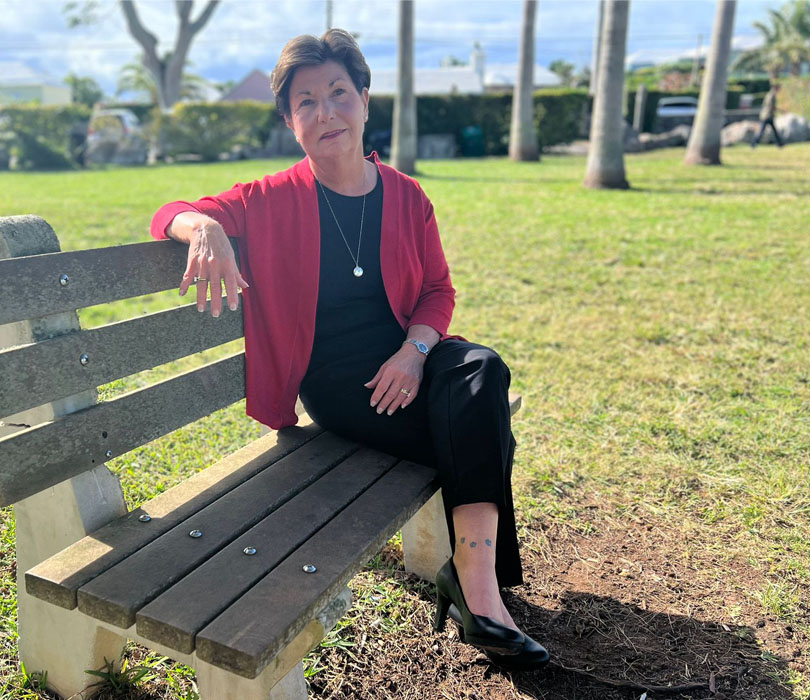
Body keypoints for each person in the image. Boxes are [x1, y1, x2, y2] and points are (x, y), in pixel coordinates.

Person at [149, 29, 548, 671]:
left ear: (365, 100)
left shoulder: (407, 196)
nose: (325, 112)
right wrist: (209, 227)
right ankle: (478, 593)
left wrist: (415, 351)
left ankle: (476, 586)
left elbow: (439, 290)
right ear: (290, 120)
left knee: (481, 370)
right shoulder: (268, 200)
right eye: (306, 101)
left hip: (408, 363)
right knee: (479, 422)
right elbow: (168, 210)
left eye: (338, 93)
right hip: (342, 390)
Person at [751, 83, 783, 149]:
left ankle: (780, 144)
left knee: (773, 131)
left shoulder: (769, 94)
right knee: (762, 131)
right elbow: (771, 106)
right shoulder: (772, 95)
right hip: (767, 116)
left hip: (767, 115)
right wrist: (780, 110)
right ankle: (753, 143)